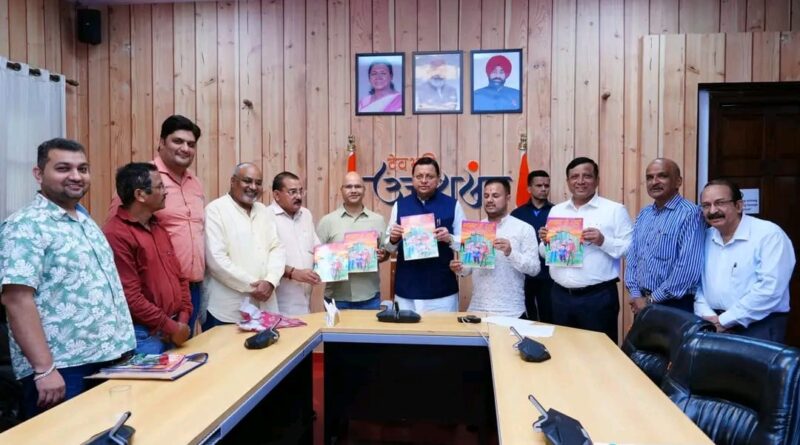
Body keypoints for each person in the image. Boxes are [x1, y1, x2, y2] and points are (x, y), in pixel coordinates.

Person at [0, 139, 135, 420]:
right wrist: (44, 369)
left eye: (82, 169)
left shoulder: (84, 220)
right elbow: (16, 299)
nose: (76, 176)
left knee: (107, 434)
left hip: (107, 359)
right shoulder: (25, 225)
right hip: (62, 370)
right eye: (63, 168)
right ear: (39, 174)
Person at [108, 115, 206, 334]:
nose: (185, 148)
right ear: (161, 142)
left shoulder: (196, 183)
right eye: (178, 141)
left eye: (191, 144)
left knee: (186, 346)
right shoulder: (144, 178)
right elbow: (121, 227)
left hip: (189, 290)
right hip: (149, 297)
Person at [538, 157, 633, 343]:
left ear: (597, 180)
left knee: (600, 352)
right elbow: (544, 253)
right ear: (568, 182)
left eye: (587, 176)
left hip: (598, 298)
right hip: (559, 296)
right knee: (564, 351)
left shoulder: (614, 210)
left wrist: (603, 241)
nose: (580, 181)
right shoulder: (557, 211)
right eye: (574, 177)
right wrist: (546, 243)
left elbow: (630, 249)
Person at [104, 163, 192, 354]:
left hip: (174, 328)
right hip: (145, 335)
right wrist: (171, 327)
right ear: (140, 195)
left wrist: (183, 320)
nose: (165, 192)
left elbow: (180, 277)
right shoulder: (116, 234)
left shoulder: (157, 225)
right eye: (160, 187)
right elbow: (131, 297)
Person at [694, 179, 795, 343]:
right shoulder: (705, 237)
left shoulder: (769, 235)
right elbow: (696, 282)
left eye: (720, 203)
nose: (712, 210)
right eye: (706, 205)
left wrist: (724, 320)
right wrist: (708, 316)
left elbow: (770, 289)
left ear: (739, 206)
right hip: (712, 324)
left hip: (758, 326)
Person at [203, 163, 286, 328]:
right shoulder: (215, 210)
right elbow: (216, 260)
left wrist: (270, 281)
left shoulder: (264, 211)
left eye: (258, 183)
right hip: (227, 310)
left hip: (264, 309)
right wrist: (254, 286)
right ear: (233, 181)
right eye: (247, 181)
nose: (253, 187)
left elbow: (276, 248)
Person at [385, 157, 465, 312]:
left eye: (429, 176)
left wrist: (449, 239)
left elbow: (466, 244)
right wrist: (393, 239)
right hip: (406, 291)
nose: (424, 181)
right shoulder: (400, 205)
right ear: (412, 179)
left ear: (438, 179)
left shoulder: (452, 205)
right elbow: (388, 248)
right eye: (419, 176)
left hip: (442, 291)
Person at [450, 179, 540, 317]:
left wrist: (510, 253)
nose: (490, 200)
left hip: (512, 312)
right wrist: (459, 268)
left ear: (508, 198)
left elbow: (534, 269)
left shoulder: (524, 229)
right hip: (477, 309)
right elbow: (467, 269)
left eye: (495, 196)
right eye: (486, 196)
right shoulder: (475, 229)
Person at [625, 159, 704, 314]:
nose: (654, 182)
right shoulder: (645, 214)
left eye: (662, 176)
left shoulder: (691, 214)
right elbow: (633, 255)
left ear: (678, 181)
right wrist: (636, 294)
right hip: (643, 302)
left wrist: (650, 300)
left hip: (676, 305)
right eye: (649, 177)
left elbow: (687, 269)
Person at [317, 172, 389, 309]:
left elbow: (385, 253)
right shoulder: (327, 221)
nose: (354, 190)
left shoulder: (378, 220)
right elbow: (317, 259)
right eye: (349, 187)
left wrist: (382, 255)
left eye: (358, 186)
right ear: (341, 190)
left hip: (370, 297)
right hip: (336, 298)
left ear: (364, 190)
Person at [270, 172, 321, 316]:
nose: (298, 196)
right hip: (279, 305)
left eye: (300, 191)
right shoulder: (265, 217)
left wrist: (344, 257)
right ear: (277, 195)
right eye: (292, 192)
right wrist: (293, 273)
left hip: (305, 301)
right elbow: (264, 259)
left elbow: (317, 248)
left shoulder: (306, 214)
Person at [510, 170, 555, 322]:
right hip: (523, 275)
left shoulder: (557, 212)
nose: (543, 189)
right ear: (529, 188)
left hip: (549, 274)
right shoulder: (517, 214)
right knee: (526, 318)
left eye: (546, 185)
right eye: (539, 185)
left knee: (549, 317)